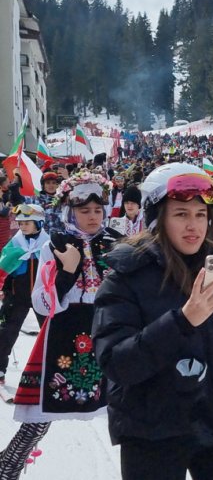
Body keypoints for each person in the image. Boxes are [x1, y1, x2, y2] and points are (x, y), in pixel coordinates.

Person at [92, 164, 213, 480]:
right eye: (181, 214)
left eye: (201, 215)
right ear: (158, 220)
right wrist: (184, 320)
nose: (193, 225)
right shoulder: (124, 279)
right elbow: (117, 364)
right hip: (151, 430)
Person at [0, 172, 120, 480]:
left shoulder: (117, 244)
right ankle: (9, 464)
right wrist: (67, 272)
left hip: (111, 330)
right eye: (84, 210)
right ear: (69, 211)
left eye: (97, 210)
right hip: (66, 334)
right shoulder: (54, 246)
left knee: (128, 405)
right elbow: (41, 303)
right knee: (45, 408)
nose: (93, 217)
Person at [0, 205, 49, 387]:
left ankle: (51, 368)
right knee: (6, 332)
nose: (22, 227)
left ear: (38, 222)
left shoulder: (48, 243)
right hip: (17, 296)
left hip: (41, 296)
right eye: (20, 223)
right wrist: (5, 289)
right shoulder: (15, 244)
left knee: (48, 332)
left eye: (27, 223)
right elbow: (4, 266)